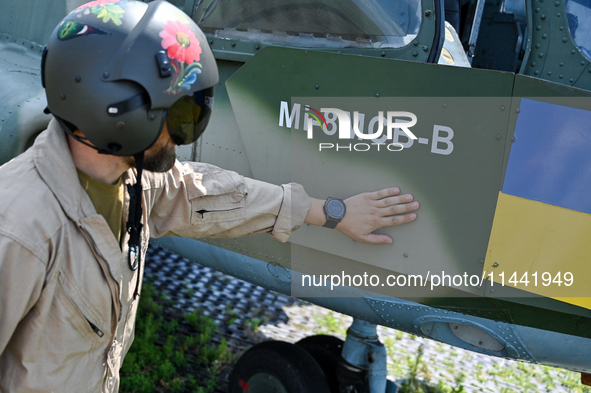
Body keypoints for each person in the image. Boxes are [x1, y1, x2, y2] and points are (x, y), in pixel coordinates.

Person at [0, 0, 419, 391]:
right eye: (180, 115)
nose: (186, 135)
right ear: (116, 115)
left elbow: (207, 194)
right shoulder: (20, 231)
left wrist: (331, 213)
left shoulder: (132, 181)